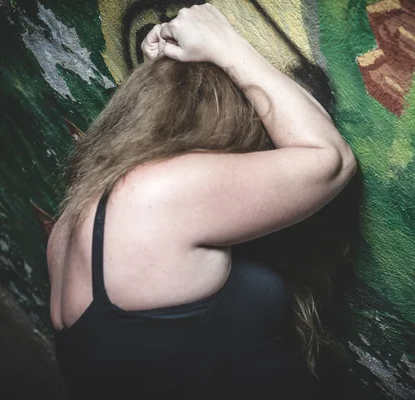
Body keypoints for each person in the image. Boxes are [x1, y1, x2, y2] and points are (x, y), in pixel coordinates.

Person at [46, 3, 357, 399]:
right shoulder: (151, 195)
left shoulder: (76, 221)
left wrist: (164, 80)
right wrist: (227, 47)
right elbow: (331, 161)